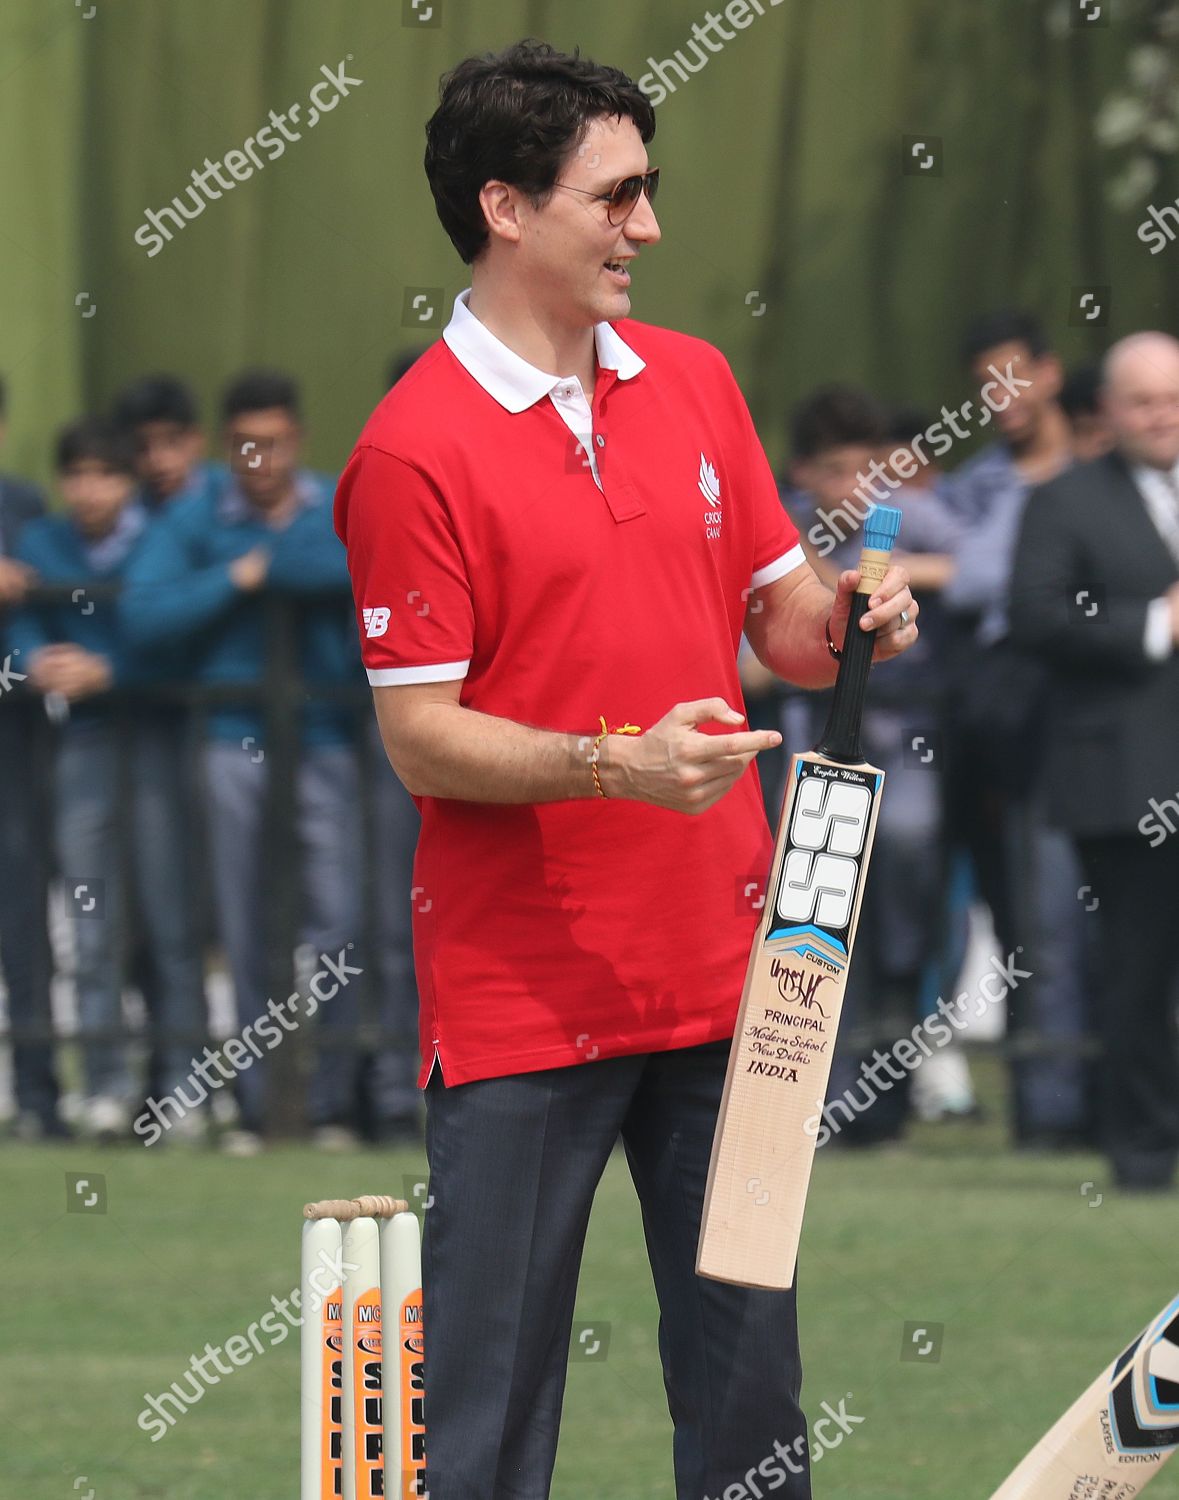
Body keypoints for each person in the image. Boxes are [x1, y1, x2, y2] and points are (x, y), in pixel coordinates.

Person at [334, 40, 917, 1500]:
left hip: (735, 976)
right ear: (506, 208)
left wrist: (846, 616)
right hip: (523, 1007)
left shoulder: (696, 380)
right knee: (487, 1419)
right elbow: (419, 734)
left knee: (750, 1409)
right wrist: (612, 765)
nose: (647, 228)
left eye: (646, 191)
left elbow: (775, 617)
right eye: (616, 195)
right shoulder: (410, 453)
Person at [120, 370, 364, 1154]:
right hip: (230, 740)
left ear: (299, 439)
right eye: (245, 445)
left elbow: (363, 565)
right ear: (228, 449)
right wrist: (237, 576)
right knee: (245, 923)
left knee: (339, 920)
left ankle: (329, 1102)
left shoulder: (337, 503)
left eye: (276, 441)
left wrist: (265, 564)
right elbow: (141, 613)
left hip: (327, 738)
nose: (261, 458)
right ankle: (262, 1107)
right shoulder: (196, 516)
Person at [1010, 331, 1179, 1192]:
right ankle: (1145, 1152)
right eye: (1143, 399)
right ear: (1107, 410)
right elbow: (1033, 615)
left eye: (1173, 397)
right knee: (1137, 971)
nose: (1161, 415)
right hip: (1125, 780)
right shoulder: (1066, 500)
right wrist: (1153, 623)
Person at [782, 389, 962, 1142]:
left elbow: (981, 569)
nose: (852, 486)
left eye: (866, 468)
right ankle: (819, 1104)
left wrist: (891, 575)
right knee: (813, 925)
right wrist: (822, 584)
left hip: (908, 743)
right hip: (815, 750)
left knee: (905, 901)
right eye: (834, 471)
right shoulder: (783, 530)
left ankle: (888, 1094)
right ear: (801, 475)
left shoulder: (905, 517)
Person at [942, 310, 1093, 1149]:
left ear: (1050, 372)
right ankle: (1047, 1111)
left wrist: (945, 570)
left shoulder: (1102, 480)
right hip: (996, 732)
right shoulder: (975, 487)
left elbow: (983, 578)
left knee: (1077, 917)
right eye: (984, 385)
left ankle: (1087, 1102)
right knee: (1024, 917)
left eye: (1012, 376)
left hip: (1087, 729)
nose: (1000, 399)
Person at [9, 419, 151, 1137]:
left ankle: (183, 1087)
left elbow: (167, 623)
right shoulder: (40, 541)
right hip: (80, 745)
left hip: (164, 739)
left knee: (171, 920)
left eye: (106, 473)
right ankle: (103, 1084)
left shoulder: (159, 536)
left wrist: (113, 668)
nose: (90, 489)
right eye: (78, 474)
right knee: (91, 920)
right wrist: (38, 662)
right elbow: (24, 628)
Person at [111, 373, 213, 1133]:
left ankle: (195, 1086)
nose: (158, 460)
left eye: (171, 443)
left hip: (217, 736)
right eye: (143, 448)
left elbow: (146, 621)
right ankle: (163, 1081)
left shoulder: (215, 509)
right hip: (138, 736)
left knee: (198, 918)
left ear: (197, 442)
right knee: (146, 916)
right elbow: (137, 623)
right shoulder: (122, 518)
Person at [0, 376, 59, 1139]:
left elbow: (59, 601)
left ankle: (41, 1096)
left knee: (24, 921)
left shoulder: (25, 510)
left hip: (15, 740)